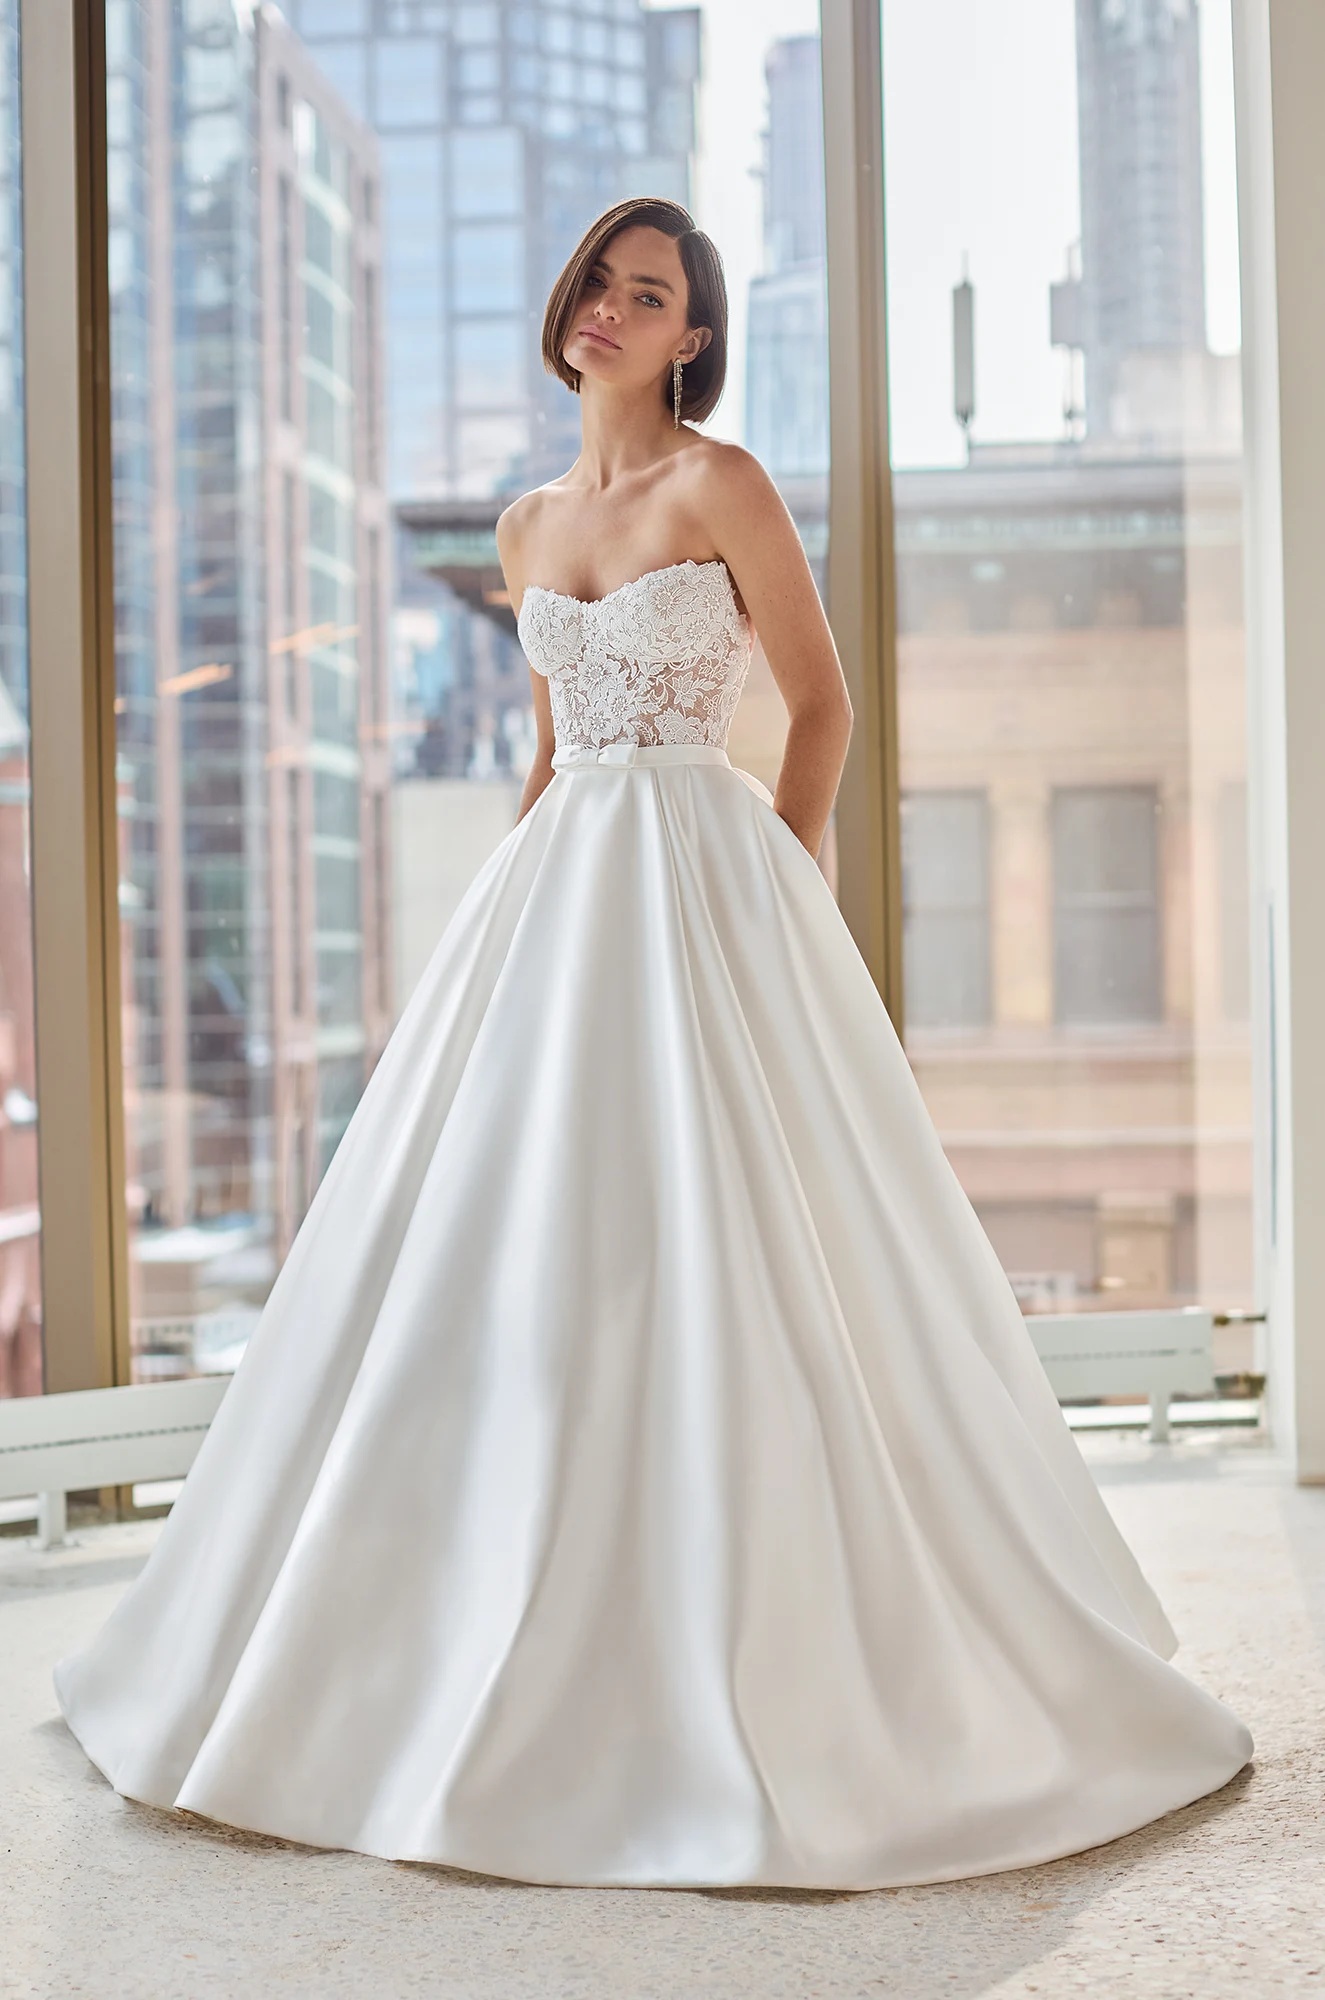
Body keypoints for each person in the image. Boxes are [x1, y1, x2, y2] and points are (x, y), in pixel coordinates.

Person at [55, 197, 1251, 1892]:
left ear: (691, 334)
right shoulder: (525, 522)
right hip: (564, 883)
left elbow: (821, 701)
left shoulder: (726, 485)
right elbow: (551, 750)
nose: (612, 313)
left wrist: (787, 868)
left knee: (747, 1246)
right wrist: (502, 935)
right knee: (521, 1246)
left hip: (709, 867)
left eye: (650, 296)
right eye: (599, 287)